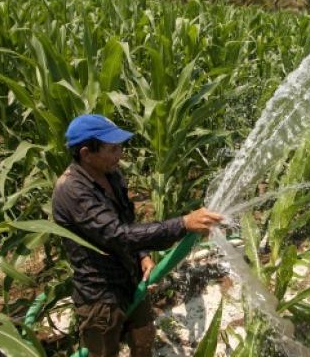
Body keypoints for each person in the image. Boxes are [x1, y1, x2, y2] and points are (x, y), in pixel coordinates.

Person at [52, 114, 223, 357]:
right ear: (86, 153)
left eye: (120, 146)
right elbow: (116, 234)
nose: (119, 154)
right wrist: (183, 224)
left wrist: (143, 256)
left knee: (144, 342)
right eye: (112, 149)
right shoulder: (72, 190)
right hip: (101, 295)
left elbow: (126, 221)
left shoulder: (112, 174)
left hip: (131, 281)